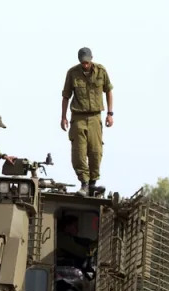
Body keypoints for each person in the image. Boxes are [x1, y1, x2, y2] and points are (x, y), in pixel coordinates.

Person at [60, 47, 113, 197]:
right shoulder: (72, 73)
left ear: (91, 59)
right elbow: (66, 96)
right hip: (78, 117)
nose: (85, 65)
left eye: (87, 62)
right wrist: (63, 117)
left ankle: (92, 184)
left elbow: (109, 90)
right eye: (83, 63)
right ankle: (84, 183)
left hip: (96, 117)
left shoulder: (101, 71)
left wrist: (110, 113)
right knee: (79, 153)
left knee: (96, 151)